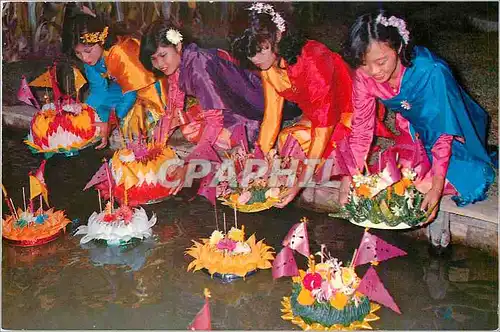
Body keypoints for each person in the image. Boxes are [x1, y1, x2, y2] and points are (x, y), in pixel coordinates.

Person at [339, 10, 496, 254]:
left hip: (454, 130)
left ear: (399, 46)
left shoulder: (430, 71)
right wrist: (349, 177)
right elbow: (361, 129)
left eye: (381, 62)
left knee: (426, 184)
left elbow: (443, 133)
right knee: (393, 180)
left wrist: (436, 187)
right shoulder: (365, 76)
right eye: (364, 63)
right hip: (413, 129)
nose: (374, 72)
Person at [230, 3, 393, 207]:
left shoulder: (314, 59)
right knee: (286, 141)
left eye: (260, 50)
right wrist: (256, 161)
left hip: (352, 114)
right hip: (318, 119)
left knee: (310, 159)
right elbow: (272, 117)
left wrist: (300, 183)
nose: (255, 59)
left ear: (278, 35)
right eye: (250, 53)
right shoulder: (269, 66)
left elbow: (324, 126)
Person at [138, 20, 266, 150]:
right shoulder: (177, 65)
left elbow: (214, 121)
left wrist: (198, 154)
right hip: (224, 102)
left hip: (247, 105)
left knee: (216, 136)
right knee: (188, 125)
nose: (160, 64)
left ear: (178, 46)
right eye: (154, 59)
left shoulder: (200, 69)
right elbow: (174, 107)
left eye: (163, 55)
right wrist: (158, 142)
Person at [64, 14, 164, 149]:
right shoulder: (90, 59)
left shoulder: (120, 51)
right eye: (78, 53)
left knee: (132, 125)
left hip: (147, 88)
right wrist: (83, 112)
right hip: (122, 87)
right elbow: (98, 90)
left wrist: (111, 122)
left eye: (88, 51)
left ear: (101, 41)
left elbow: (131, 94)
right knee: (96, 115)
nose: (85, 58)